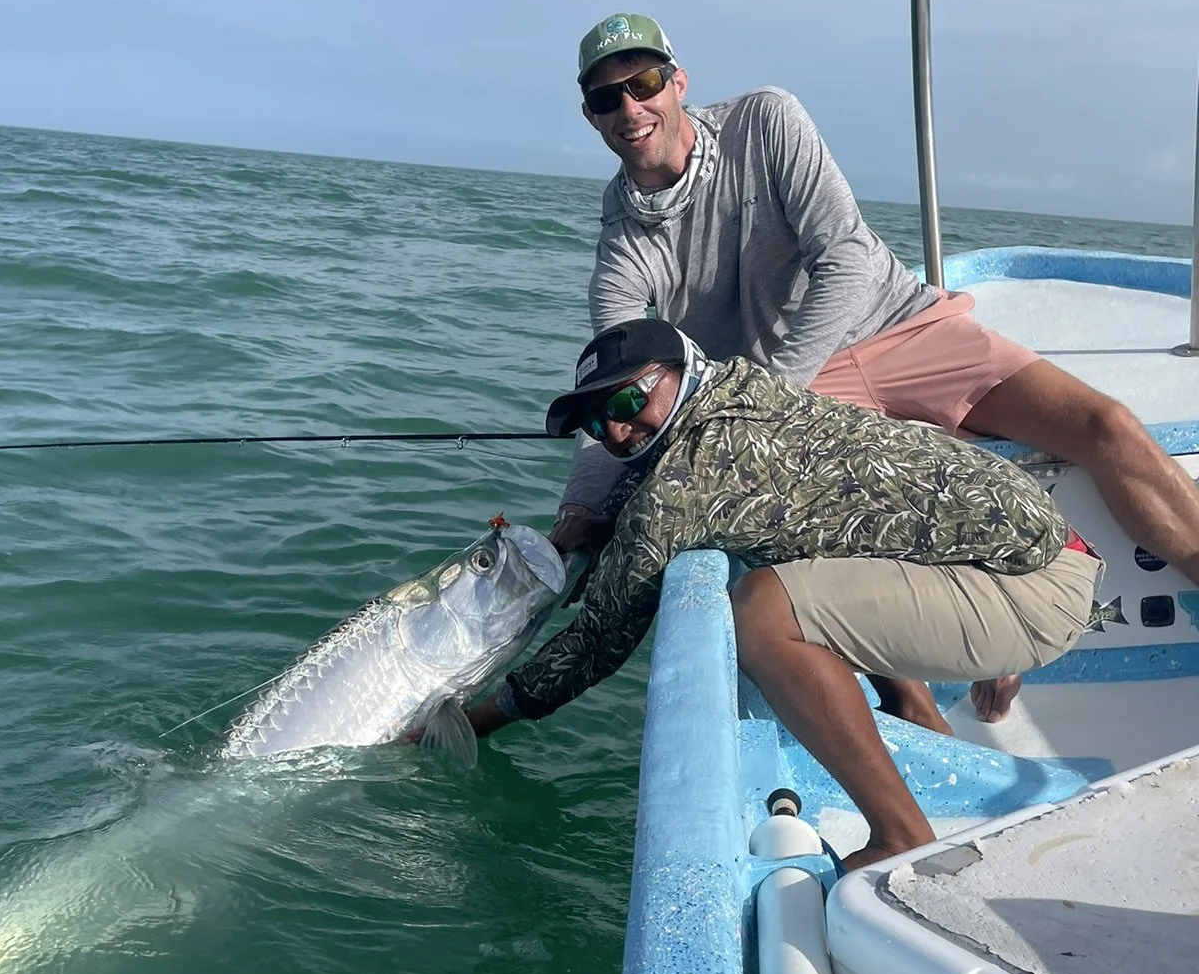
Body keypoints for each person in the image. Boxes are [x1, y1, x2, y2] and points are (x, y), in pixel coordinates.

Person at [552, 13, 1199, 726]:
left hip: (897, 327)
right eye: (607, 98)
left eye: (642, 83)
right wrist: (582, 506)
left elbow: (847, 262)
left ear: (677, 82)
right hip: (799, 388)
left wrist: (772, 396)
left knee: (1102, 424)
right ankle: (924, 721)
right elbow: (616, 396)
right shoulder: (622, 247)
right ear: (592, 117)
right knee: (817, 515)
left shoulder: (766, 121)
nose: (630, 108)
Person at [467, 319, 1101, 871]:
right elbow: (703, 487)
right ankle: (913, 707)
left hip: (1027, 589)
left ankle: (899, 834)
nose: (617, 429)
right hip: (1031, 546)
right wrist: (609, 519)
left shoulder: (684, 485)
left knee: (762, 613)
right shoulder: (746, 389)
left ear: (681, 372)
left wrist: (472, 720)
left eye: (630, 399)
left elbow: (597, 641)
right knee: (789, 544)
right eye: (594, 423)